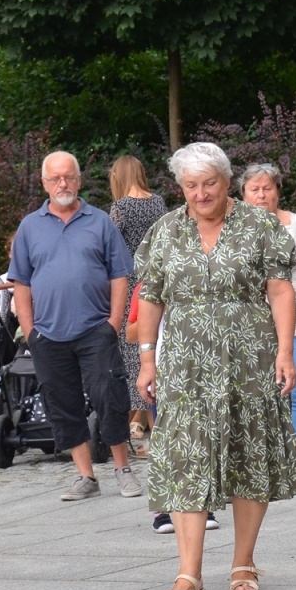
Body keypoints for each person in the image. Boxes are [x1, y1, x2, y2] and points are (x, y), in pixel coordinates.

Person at [133, 142, 296, 590]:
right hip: (185, 365)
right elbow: (150, 296)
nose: (201, 193)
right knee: (185, 458)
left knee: (248, 453)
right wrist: (147, 358)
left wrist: (286, 352)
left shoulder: (260, 225)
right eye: (191, 185)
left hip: (250, 359)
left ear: (227, 181)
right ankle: (188, 575)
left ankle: (243, 564)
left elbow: (280, 291)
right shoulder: (165, 230)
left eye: (209, 183)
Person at [10, 151, 143, 501]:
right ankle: (85, 476)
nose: (63, 184)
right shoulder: (29, 227)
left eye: (69, 177)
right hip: (47, 334)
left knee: (110, 397)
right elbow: (21, 283)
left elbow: (120, 275)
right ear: (44, 183)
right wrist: (30, 330)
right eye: (55, 178)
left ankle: (122, 469)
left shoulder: (100, 222)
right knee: (62, 403)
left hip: (96, 328)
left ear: (79, 180)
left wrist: (113, 323)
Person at [238, 163, 296, 462]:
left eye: (267, 188)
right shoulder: (233, 229)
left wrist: (295, 296)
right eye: (254, 189)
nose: (261, 195)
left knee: (294, 391)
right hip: (250, 324)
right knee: (254, 393)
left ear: (277, 191)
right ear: (243, 194)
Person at [108, 155, 168, 447]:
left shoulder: (119, 208)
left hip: (131, 282)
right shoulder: (158, 203)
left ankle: (139, 417)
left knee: (133, 351)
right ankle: (152, 421)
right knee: (155, 346)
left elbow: (108, 247)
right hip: (158, 279)